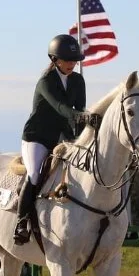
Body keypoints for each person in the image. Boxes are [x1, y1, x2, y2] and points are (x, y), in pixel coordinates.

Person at [14, 34, 100, 245]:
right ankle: (21, 222)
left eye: (74, 60)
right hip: (37, 138)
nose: (72, 64)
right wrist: (81, 116)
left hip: (63, 137)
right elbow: (61, 108)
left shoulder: (78, 80)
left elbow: (79, 110)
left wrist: (87, 126)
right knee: (35, 173)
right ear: (55, 60)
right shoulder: (46, 81)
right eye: (68, 60)